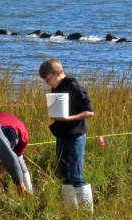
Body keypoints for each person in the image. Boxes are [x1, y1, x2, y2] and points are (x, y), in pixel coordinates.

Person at [39, 58, 95, 211]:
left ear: (58, 73)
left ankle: (86, 213)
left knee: (76, 175)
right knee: (63, 174)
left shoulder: (74, 86)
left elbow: (89, 112)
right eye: (45, 81)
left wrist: (69, 118)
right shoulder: (55, 88)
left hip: (76, 135)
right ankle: (71, 210)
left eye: (48, 79)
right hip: (62, 135)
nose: (47, 83)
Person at [0, 111, 34, 194]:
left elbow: (15, 157)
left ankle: (28, 194)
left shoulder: (23, 138)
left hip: (12, 129)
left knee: (20, 163)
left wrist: (1, 169)